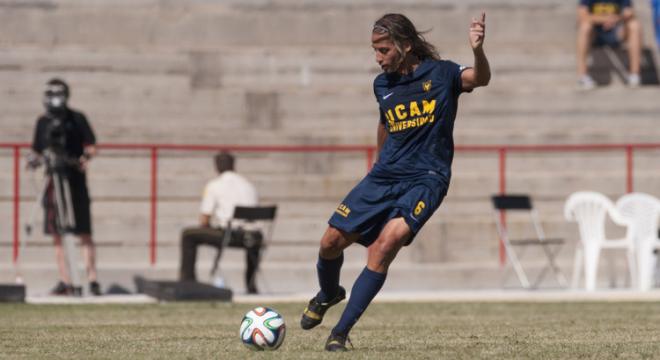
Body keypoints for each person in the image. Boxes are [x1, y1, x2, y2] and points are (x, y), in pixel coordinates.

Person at [299, 13, 490, 351]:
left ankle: (339, 334)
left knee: (386, 244)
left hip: (427, 178)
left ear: (405, 45)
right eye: (374, 50)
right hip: (385, 175)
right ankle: (329, 293)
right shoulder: (382, 85)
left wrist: (477, 49)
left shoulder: (443, 73)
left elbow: (481, 78)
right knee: (330, 242)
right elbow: (385, 123)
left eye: (384, 50)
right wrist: (378, 165)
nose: (378, 57)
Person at [29, 78, 101, 296]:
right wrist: (33, 160)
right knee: (57, 234)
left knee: (83, 232)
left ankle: (92, 279)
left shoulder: (77, 118)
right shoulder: (43, 122)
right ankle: (66, 280)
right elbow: (37, 150)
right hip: (53, 180)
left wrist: (84, 158)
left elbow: (92, 146)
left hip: (74, 180)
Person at [179, 152, 263, 294]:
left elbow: (204, 220)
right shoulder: (248, 185)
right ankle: (251, 285)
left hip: (230, 235)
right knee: (251, 238)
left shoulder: (214, 185)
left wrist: (210, 227)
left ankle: (188, 282)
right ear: (233, 165)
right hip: (254, 237)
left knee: (188, 234)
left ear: (216, 167)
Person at [577, 0, 643, 89]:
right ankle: (583, 76)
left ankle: (634, 76)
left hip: (617, 31)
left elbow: (629, 13)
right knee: (585, 27)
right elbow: (582, 15)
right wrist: (605, 19)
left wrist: (616, 18)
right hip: (596, 33)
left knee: (634, 25)